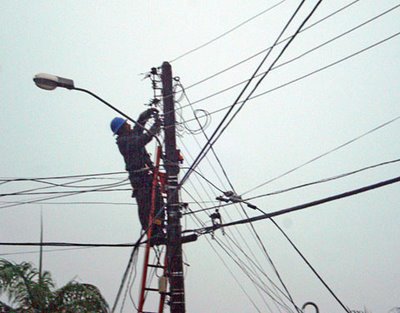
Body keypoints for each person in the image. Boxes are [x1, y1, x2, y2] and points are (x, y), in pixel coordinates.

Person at [110, 108, 164, 238]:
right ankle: (151, 231)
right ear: (122, 128)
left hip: (148, 175)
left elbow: (140, 124)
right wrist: (155, 128)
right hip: (139, 178)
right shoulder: (124, 142)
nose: (129, 125)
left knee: (158, 202)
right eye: (126, 124)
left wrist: (147, 113)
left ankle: (159, 227)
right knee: (146, 205)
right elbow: (142, 140)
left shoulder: (131, 134)